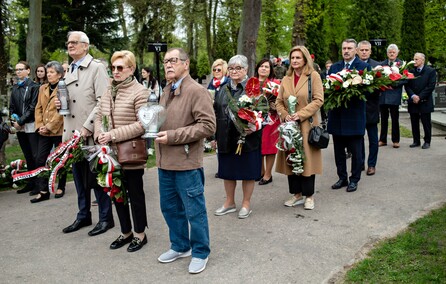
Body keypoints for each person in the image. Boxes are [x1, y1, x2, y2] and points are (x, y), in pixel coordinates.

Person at [155, 48, 215, 274]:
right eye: (165, 61)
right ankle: (180, 246)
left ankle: (200, 251)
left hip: (187, 164)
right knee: (170, 208)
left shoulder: (196, 90)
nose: (168, 64)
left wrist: (173, 136)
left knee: (194, 211)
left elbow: (208, 126)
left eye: (173, 60)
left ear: (186, 64)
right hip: (164, 163)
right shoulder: (167, 89)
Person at [56, 31, 113, 236]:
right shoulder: (69, 69)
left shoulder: (96, 68)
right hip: (72, 134)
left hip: (89, 132)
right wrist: (58, 105)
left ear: (85, 46)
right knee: (80, 180)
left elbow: (103, 101)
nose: (70, 45)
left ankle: (106, 219)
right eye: (68, 42)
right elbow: (71, 101)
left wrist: (89, 126)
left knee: (96, 178)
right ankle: (83, 215)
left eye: (74, 42)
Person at [94, 50, 149, 252]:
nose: (115, 72)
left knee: (135, 194)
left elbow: (142, 124)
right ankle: (125, 232)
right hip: (109, 153)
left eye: (120, 68)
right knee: (116, 193)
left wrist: (113, 135)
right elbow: (99, 116)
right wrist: (99, 133)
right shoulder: (109, 90)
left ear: (131, 69)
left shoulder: (140, 91)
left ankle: (140, 234)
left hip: (130, 152)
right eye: (113, 67)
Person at [213, 54, 262, 219]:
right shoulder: (223, 88)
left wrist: (254, 125)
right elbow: (216, 111)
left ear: (246, 69)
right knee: (227, 171)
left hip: (247, 139)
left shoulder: (253, 87)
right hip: (225, 137)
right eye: (231, 68)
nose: (234, 71)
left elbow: (262, 111)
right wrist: (214, 136)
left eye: (238, 68)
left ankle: (246, 204)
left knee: (248, 171)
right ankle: (229, 202)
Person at [275, 46, 324, 210]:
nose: (295, 61)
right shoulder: (286, 78)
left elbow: (318, 100)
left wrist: (301, 114)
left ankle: (309, 195)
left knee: (307, 160)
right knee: (291, 159)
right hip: (289, 126)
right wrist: (284, 115)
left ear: (305, 59)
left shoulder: (313, 76)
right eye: (293, 58)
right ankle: (296, 194)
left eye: (298, 58)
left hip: (306, 124)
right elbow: (278, 101)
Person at [327, 39, 370, 192]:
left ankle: (354, 179)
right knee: (338, 151)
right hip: (337, 116)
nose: (346, 51)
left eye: (350, 48)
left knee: (356, 152)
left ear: (356, 50)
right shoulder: (334, 67)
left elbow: (368, 91)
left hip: (354, 116)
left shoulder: (364, 67)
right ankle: (342, 177)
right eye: (344, 48)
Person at [10, 61, 40, 195]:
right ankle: (30, 182)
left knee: (35, 155)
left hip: (31, 125)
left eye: (21, 69)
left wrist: (21, 121)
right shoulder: (15, 87)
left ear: (28, 71)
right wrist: (14, 119)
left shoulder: (34, 86)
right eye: (16, 70)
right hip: (20, 126)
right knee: (27, 155)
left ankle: (39, 184)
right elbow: (12, 107)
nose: (18, 72)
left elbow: (32, 107)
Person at [254, 58, 280, 185]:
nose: (264, 68)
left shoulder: (275, 83)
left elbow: (281, 100)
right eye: (261, 66)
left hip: (271, 118)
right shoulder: (252, 82)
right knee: (257, 145)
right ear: (257, 68)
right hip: (255, 117)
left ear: (270, 70)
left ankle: (268, 174)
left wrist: (275, 104)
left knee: (269, 146)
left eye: (267, 67)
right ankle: (260, 171)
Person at [357, 40, 380, 176]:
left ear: (370, 51)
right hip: (357, 109)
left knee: (373, 140)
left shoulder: (377, 66)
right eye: (362, 50)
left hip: (372, 107)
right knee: (358, 139)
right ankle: (360, 162)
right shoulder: (353, 66)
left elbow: (382, 87)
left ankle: (371, 165)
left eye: (367, 50)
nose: (364, 52)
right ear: (358, 51)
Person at [405, 53, 437, 149]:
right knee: (414, 122)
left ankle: (427, 141)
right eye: (414, 59)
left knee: (426, 123)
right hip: (413, 101)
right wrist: (413, 96)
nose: (414, 61)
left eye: (416, 59)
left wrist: (420, 97)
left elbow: (430, 86)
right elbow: (407, 85)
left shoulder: (430, 71)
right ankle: (416, 141)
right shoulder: (410, 71)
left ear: (422, 60)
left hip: (425, 101)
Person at [378, 44, 404, 149]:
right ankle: (382, 139)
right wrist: (384, 83)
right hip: (384, 95)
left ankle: (396, 140)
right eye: (390, 52)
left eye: (393, 52)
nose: (392, 54)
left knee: (395, 119)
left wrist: (394, 83)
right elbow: (378, 77)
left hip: (394, 94)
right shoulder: (382, 64)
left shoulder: (401, 64)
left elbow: (405, 78)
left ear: (397, 53)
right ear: (387, 53)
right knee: (383, 119)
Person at [207, 59, 229, 178]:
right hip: (215, 115)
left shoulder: (228, 82)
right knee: (217, 143)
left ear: (224, 70)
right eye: (214, 69)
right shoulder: (212, 83)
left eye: (219, 69)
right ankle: (221, 168)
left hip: (225, 116)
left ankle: (227, 167)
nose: (216, 71)